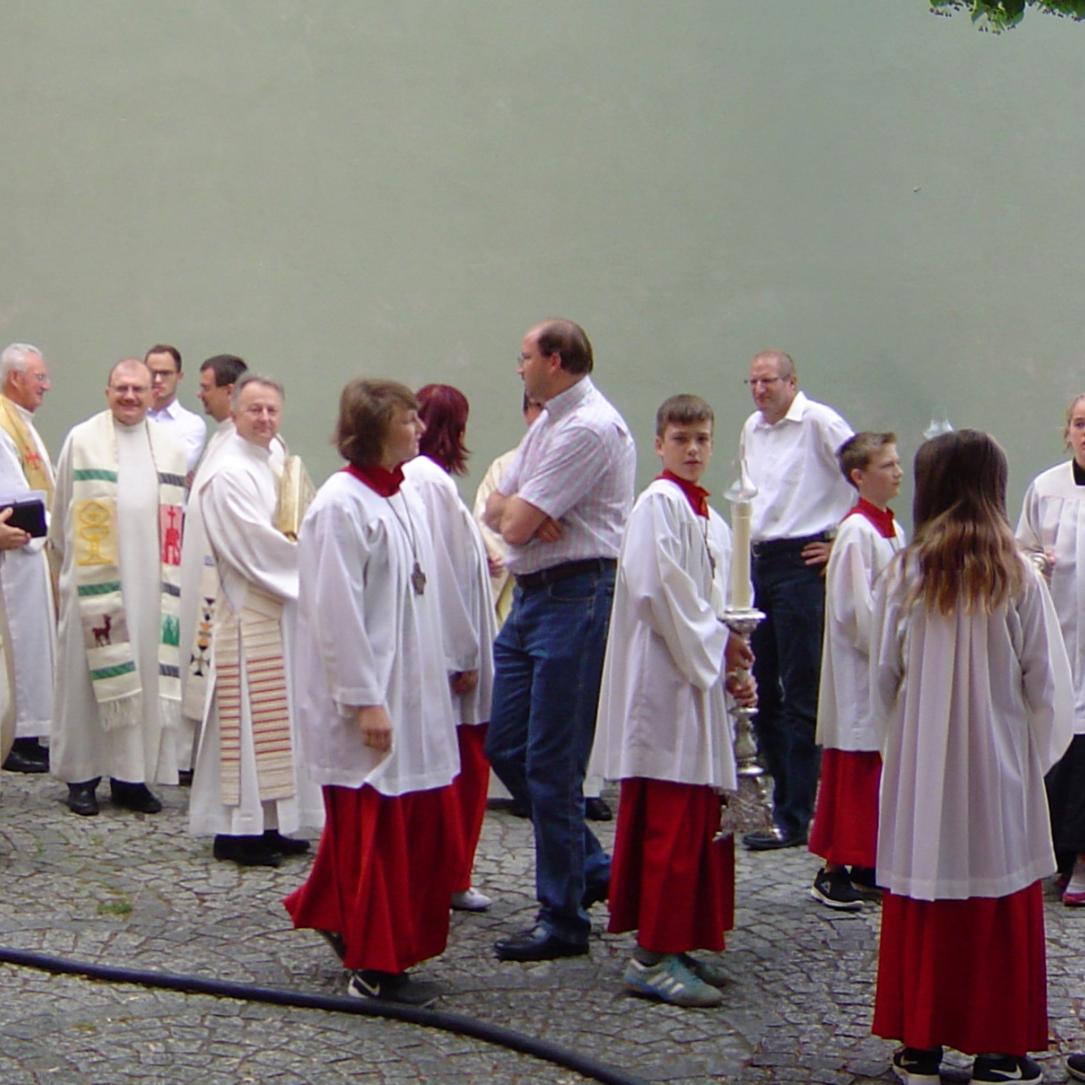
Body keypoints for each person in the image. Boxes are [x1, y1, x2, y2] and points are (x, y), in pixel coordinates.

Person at [871, 430, 1072, 1085]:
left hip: (923, 766)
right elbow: (1049, 689)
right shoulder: (1017, 574)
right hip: (998, 768)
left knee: (925, 894)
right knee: (997, 898)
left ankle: (919, 1047)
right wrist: (1024, 764)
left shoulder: (904, 572)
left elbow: (882, 675)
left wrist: (907, 751)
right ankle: (996, 1051)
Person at [284, 379, 467, 1008]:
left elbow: (422, 586)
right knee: (376, 834)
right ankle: (373, 967)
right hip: (368, 700)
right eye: (406, 420)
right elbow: (336, 613)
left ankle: (352, 922)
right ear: (371, 429)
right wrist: (365, 700)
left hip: (410, 691)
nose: (419, 428)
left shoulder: (404, 494)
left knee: (404, 826)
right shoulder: (340, 505)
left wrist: (448, 660)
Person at [590, 394, 755, 1008]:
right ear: (659, 444)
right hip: (665, 686)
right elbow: (661, 596)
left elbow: (723, 594)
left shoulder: (710, 517)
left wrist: (736, 648)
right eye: (681, 438)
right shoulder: (656, 506)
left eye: (703, 439)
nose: (692, 449)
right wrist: (719, 644)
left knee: (698, 821)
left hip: (699, 681)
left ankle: (679, 940)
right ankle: (651, 955)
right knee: (670, 822)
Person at [483, 318, 635, 962]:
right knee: (506, 744)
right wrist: (517, 513)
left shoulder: (586, 426)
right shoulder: (549, 419)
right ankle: (593, 870)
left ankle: (563, 916)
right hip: (535, 598)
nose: (517, 368)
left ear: (554, 359)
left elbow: (511, 521)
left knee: (552, 758)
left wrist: (522, 515)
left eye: (523, 358)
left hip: (575, 594)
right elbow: (497, 500)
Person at [189, 375, 322, 866]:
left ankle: (273, 821)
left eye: (272, 410)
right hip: (250, 610)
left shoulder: (270, 457)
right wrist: (315, 566)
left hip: (279, 610)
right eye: (254, 410)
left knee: (279, 719)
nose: (264, 419)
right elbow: (255, 546)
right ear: (235, 413)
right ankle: (237, 830)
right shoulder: (227, 472)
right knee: (246, 719)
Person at [50, 359, 187, 816]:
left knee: (144, 674)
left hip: (151, 586)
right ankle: (83, 776)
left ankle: (131, 778)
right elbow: (60, 509)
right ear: (106, 391)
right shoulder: (82, 440)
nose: (130, 397)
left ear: (154, 393)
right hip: (95, 587)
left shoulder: (168, 447)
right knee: (85, 681)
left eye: (139, 389)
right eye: (121, 388)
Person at [738, 349, 854, 851]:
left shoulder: (820, 422)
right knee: (761, 685)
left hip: (803, 563)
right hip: (760, 560)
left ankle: (797, 811)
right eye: (753, 382)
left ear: (792, 382)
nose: (761, 391)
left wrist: (841, 541)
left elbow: (861, 473)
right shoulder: (751, 429)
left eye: (769, 381)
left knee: (802, 689)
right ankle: (773, 804)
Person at [403, 383, 494, 911]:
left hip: (447, 641)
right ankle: (451, 871)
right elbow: (440, 572)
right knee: (460, 763)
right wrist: (462, 653)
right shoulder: (430, 482)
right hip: (451, 648)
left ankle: (450, 869)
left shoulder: (425, 481)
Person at [808, 432, 905, 910]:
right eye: (887, 465)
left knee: (876, 770)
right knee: (854, 768)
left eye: (897, 463)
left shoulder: (889, 528)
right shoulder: (855, 533)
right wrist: (890, 647)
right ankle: (832, 866)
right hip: (860, 673)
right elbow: (853, 611)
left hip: (882, 670)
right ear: (859, 477)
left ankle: (868, 860)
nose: (898, 472)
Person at [1015, 393, 1085, 906]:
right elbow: (1021, 550)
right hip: (1060, 636)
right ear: (1067, 432)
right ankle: (1060, 853)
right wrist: (1040, 562)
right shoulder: (1046, 487)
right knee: (1061, 741)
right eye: (1080, 424)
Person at [178, 354, 250, 772]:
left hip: (219, 580)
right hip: (199, 571)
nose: (200, 394)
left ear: (229, 391)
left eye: (206, 387)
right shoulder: (222, 438)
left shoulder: (250, 446)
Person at [0, 343, 56, 773]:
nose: (46, 385)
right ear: (15, 378)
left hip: (32, 551)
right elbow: (14, 494)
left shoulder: (24, 423)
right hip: (14, 550)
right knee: (18, 643)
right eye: (39, 377)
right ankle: (14, 733)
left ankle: (33, 728)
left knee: (36, 643)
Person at [145, 344, 207, 473]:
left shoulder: (192, 424)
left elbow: (177, 468)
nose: (157, 380)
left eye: (165, 373)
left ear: (179, 376)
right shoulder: (128, 418)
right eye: (152, 373)